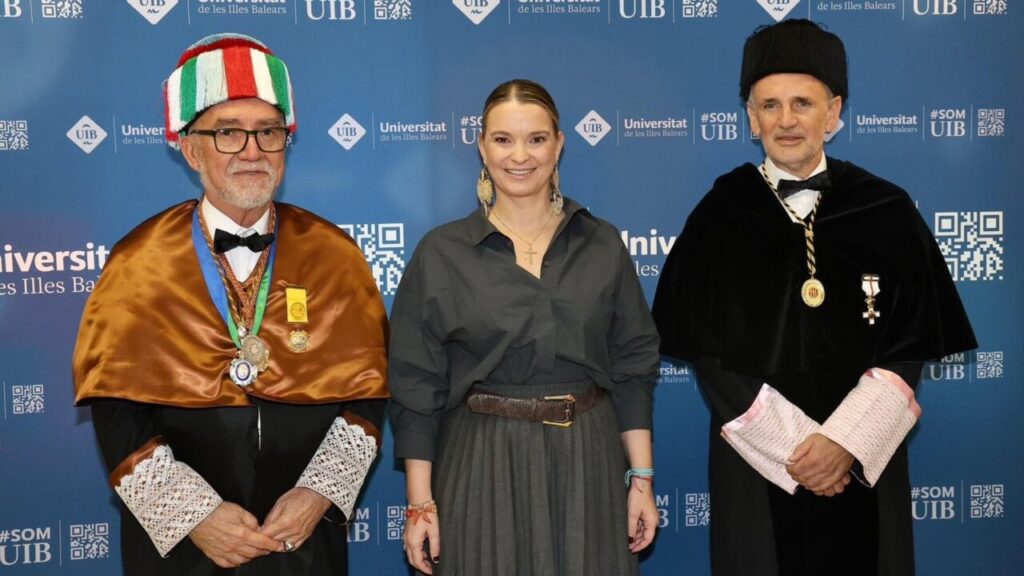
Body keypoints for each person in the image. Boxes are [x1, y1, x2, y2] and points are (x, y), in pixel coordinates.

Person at [652, 19, 976, 576]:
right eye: (770, 104)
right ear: (751, 117)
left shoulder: (887, 210)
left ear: (835, 111)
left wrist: (844, 445)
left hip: (865, 463)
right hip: (759, 468)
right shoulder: (720, 214)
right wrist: (800, 450)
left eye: (803, 102)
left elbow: (909, 344)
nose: (786, 120)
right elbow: (709, 356)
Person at [72, 33, 388, 575]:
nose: (251, 150)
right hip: (182, 550)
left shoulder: (336, 255)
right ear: (191, 148)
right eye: (227, 133)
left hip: (304, 545)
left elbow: (367, 396)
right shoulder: (137, 261)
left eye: (268, 132)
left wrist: (316, 496)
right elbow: (116, 410)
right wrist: (197, 516)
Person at [388, 79, 660, 576]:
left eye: (536, 139)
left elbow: (634, 366)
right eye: (503, 139)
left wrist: (641, 478)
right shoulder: (441, 252)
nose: (520, 155)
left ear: (559, 145)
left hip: (589, 459)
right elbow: (415, 386)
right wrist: (420, 506)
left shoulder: (602, 244)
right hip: (482, 460)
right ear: (481, 146)